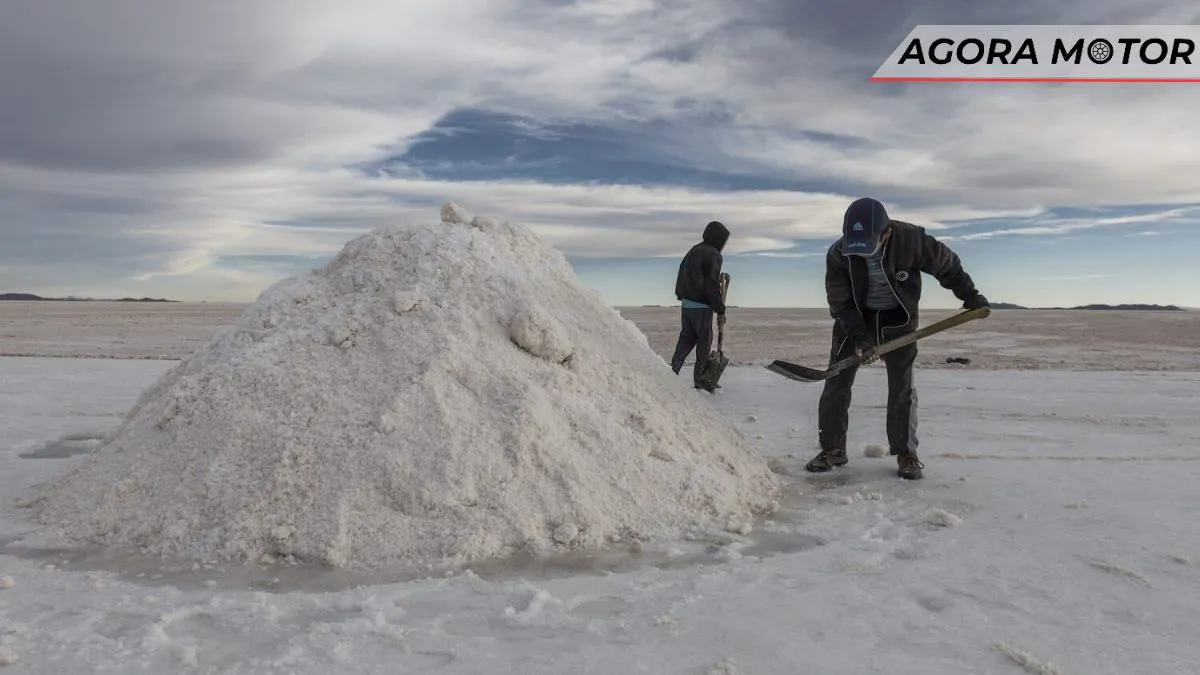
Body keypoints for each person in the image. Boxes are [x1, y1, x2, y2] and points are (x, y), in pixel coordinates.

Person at [805, 197, 988, 480]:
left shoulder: (912, 240)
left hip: (898, 321)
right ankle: (832, 449)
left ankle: (905, 452)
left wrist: (970, 296)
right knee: (836, 384)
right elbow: (840, 302)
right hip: (855, 319)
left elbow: (947, 265)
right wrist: (859, 339)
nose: (862, 254)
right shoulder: (838, 253)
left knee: (901, 388)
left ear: (886, 232)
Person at [670, 220, 729, 389]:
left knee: (687, 338)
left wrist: (682, 296)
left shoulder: (694, 250)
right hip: (702, 306)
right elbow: (712, 284)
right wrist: (720, 309)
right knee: (704, 341)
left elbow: (682, 274)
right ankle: (701, 378)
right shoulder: (714, 254)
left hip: (687, 305)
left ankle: (672, 370)